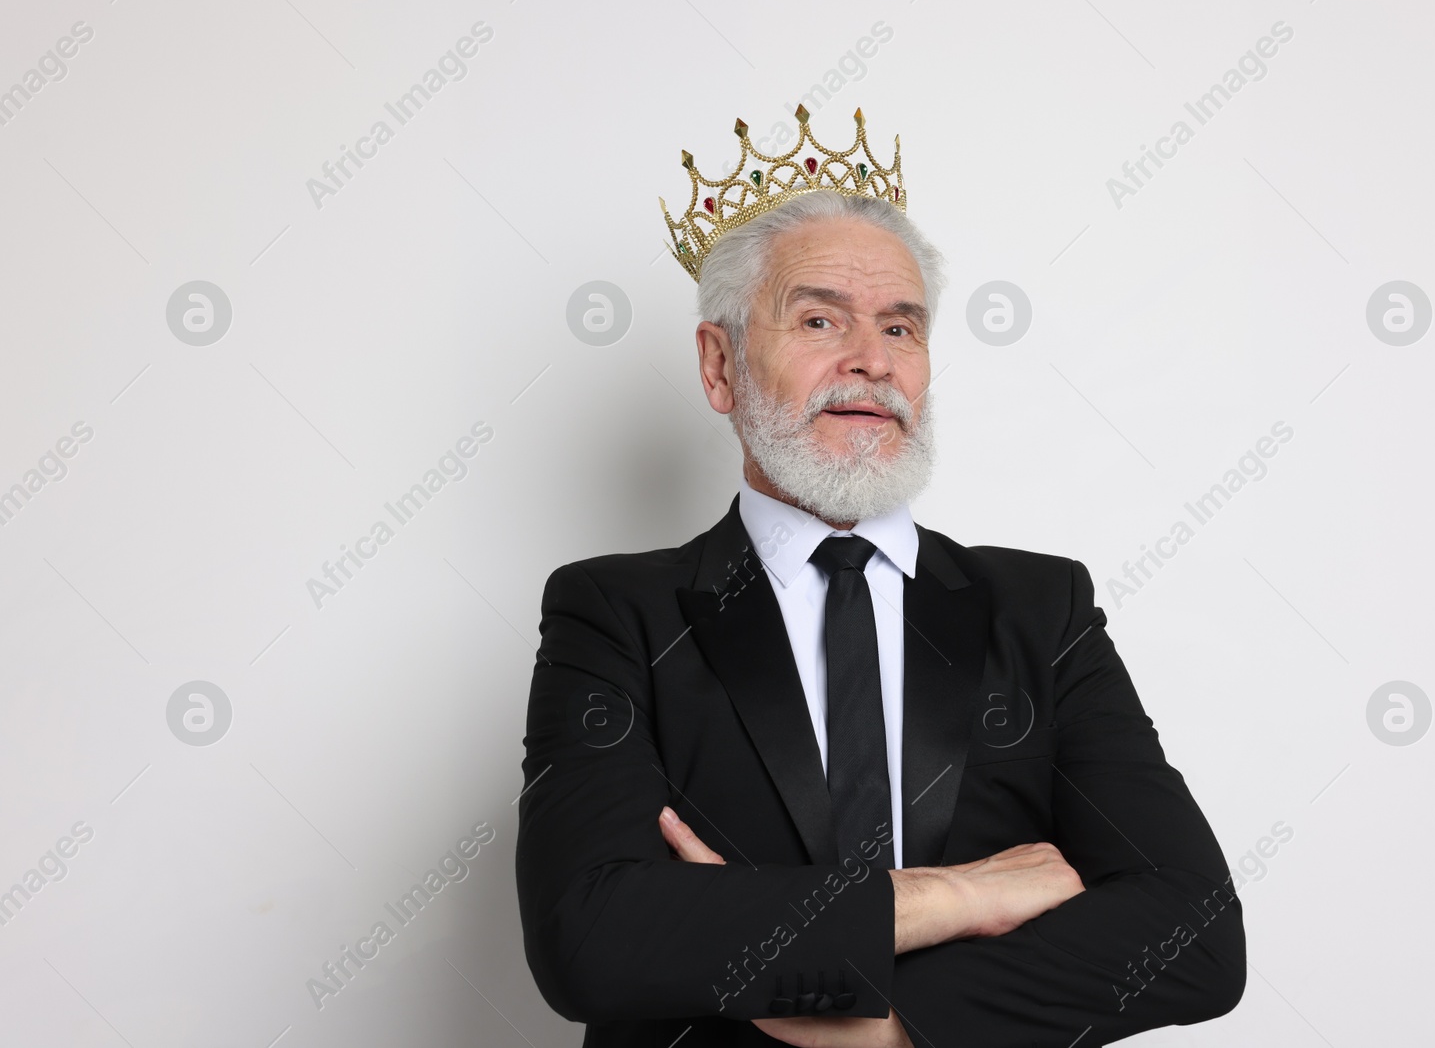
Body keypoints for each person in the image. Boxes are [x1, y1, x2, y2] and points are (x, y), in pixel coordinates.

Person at [516, 108, 1245, 1047]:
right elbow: (589, 937)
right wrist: (952, 895)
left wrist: (896, 1026)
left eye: (900, 326)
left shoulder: (1042, 610)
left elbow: (1196, 932)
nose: (871, 359)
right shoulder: (617, 613)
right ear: (720, 362)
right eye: (820, 318)